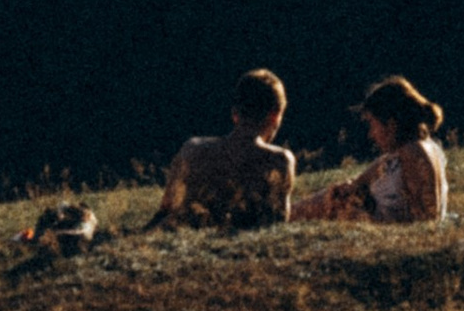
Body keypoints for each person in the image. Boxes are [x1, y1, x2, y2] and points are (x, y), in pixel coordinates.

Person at [148, 68, 297, 230]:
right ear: (275, 115)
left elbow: (166, 209)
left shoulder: (192, 149)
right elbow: (278, 219)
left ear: (235, 113)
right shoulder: (279, 161)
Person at [293, 76, 448, 223]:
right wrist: (354, 187)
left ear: (391, 124)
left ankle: (286, 215)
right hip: (379, 220)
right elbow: (370, 173)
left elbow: (427, 219)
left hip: (386, 228)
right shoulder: (404, 151)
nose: (371, 134)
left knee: (340, 202)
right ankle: (288, 214)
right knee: (339, 195)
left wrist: (363, 214)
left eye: (373, 124)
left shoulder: (414, 152)